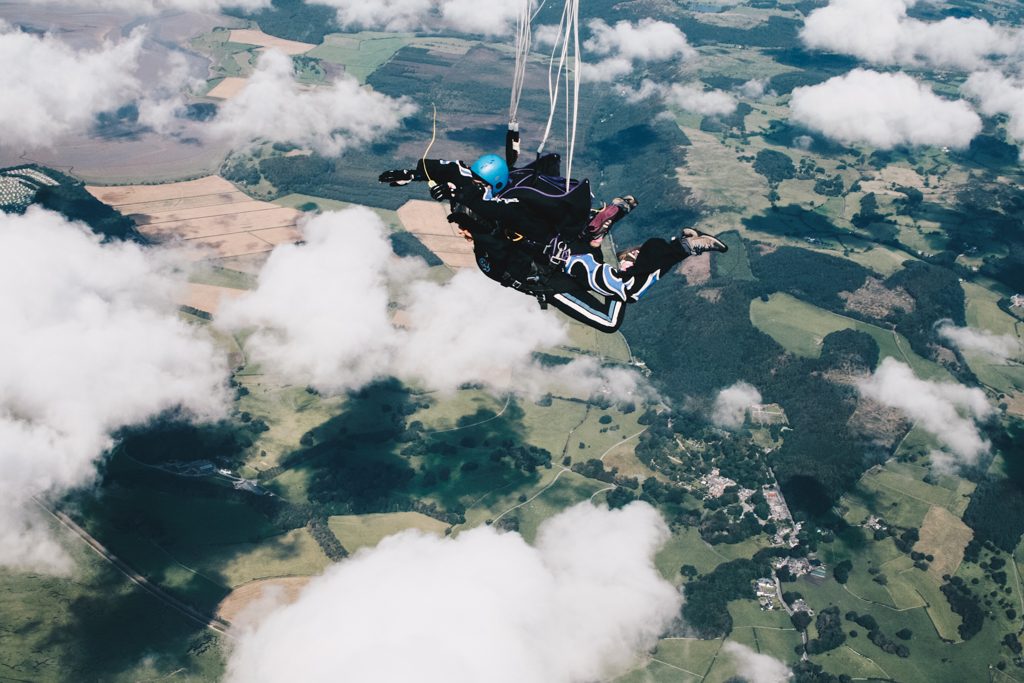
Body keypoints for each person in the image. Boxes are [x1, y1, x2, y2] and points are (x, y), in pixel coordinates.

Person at [379, 150, 727, 332]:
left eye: (465, 228)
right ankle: (604, 230)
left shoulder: (503, 213)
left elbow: (478, 205)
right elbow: (452, 169)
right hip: (557, 255)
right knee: (609, 280)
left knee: (616, 307)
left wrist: (450, 194)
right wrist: (414, 175)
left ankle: (665, 250)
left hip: (557, 272)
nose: (463, 233)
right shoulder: (495, 200)